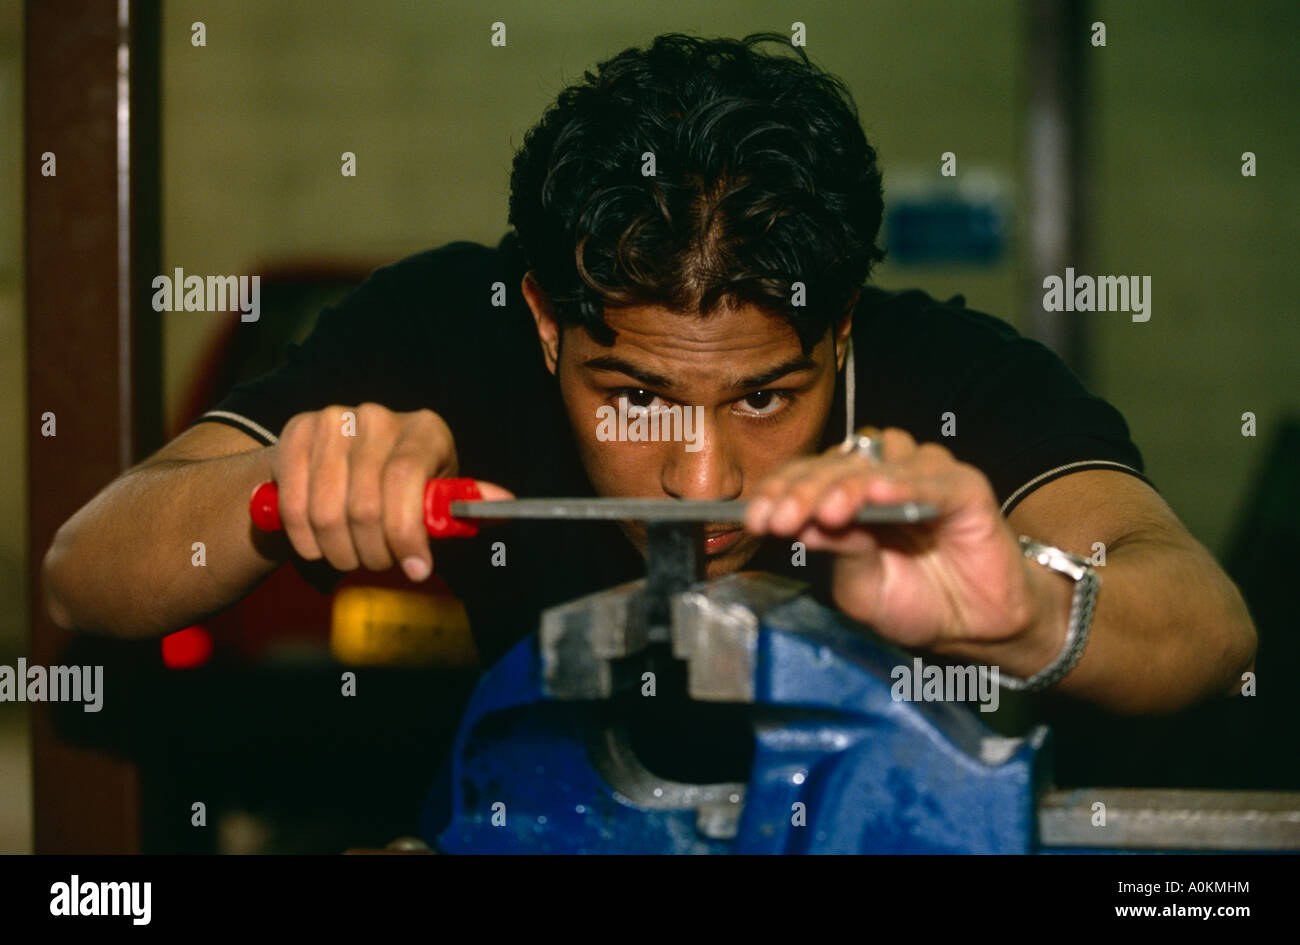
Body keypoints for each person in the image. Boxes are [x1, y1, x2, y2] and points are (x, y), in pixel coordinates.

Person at [43, 33, 1254, 715]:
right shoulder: (444, 335)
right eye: (632, 394)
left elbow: (1205, 630)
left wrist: (1031, 610)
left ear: (837, 332)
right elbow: (83, 577)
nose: (699, 475)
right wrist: (273, 493)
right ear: (540, 323)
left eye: (764, 398)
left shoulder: (947, 374)